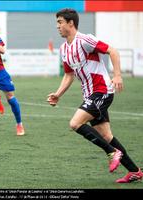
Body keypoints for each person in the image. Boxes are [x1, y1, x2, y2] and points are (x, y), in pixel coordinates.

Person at [47, 8, 143, 183]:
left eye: (60, 22)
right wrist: (58, 94)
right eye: (57, 23)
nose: (57, 26)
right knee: (107, 136)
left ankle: (112, 152)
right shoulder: (64, 49)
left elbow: (112, 51)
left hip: (102, 91)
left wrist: (118, 75)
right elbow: (69, 75)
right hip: (90, 94)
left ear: (71, 23)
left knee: (75, 123)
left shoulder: (85, 40)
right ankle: (135, 171)